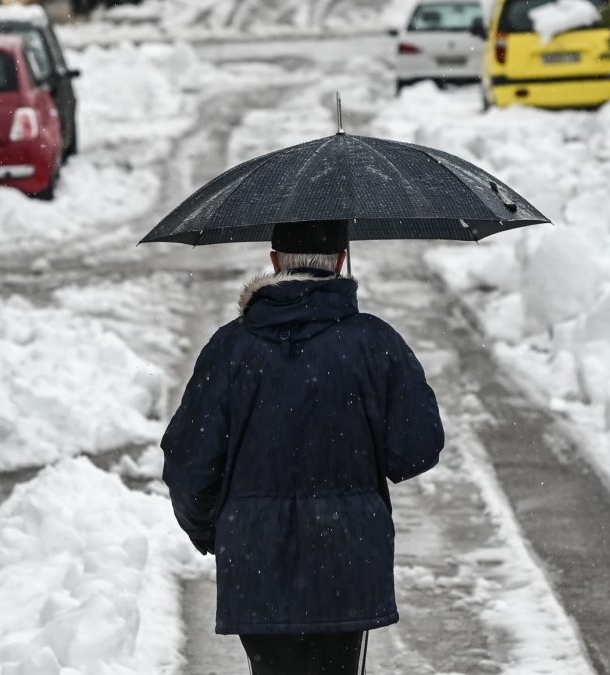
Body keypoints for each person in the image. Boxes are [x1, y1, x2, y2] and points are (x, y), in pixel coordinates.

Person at [161, 220, 445, 675]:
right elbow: (417, 449)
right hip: (347, 559)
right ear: (339, 262)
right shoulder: (375, 342)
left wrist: (214, 531)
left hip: (256, 559)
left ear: (274, 264)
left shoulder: (229, 349)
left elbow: (190, 464)